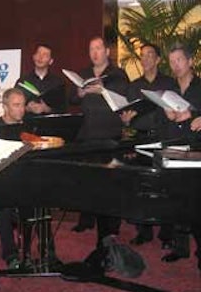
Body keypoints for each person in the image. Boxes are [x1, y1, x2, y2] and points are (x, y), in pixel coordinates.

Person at [0, 88, 59, 269]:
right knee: (3, 208)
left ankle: (48, 251)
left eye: (22, 106)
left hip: (27, 179)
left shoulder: (29, 126)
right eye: (16, 105)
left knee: (42, 202)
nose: (21, 110)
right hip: (2, 182)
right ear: (4, 106)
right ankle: (11, 255)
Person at [69, 36, 129, 243]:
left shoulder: (117, 74)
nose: (94, 53)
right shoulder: (84, 74)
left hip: (110, 134)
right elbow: (72, 99)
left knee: (110, 183)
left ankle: (112, 226)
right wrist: (79, 93)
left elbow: (124, 96)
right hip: (87, 133)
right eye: (91, 49)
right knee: (88, 180)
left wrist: (102, 89)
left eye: (98, 48)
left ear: (107, 52)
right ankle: (87, 220)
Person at [120, 43, 175, 247]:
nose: (145, 59)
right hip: (140, 138)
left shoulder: (170, 83)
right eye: (142, 56)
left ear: (158, 59)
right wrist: (125, 120)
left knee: (165, 186)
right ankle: (143, 231)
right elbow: (125, 118)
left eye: (150, 55)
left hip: (165, 137)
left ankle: (167, 234)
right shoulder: (133, 86)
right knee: (140, 185)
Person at [156, 43, 201, 268]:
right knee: (176, 200)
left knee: (197, 202)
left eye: (179, 60)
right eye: (172, 62)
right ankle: (180, 247)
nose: (175, 65)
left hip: (196, 149)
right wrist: (168, 115)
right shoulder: (169, 89)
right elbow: (160, 121)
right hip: (174, 146)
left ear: (190, 61)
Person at [16, 43, 66, 115]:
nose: (40, 57)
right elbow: (14, 106)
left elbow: (63, 110)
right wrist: (27, 108)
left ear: (51, 61)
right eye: (38, 53)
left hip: (50, 124)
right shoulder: (23, 81)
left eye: (45, 55)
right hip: (28, 124)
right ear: (33, 57)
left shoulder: (58, 83)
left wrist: (47, 109)